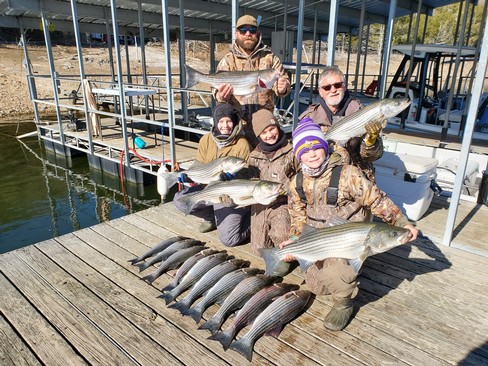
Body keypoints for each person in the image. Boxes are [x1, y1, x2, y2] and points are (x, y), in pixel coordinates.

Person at [280, 118, 418, 331]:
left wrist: (400, 222)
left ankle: (344, 303)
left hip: (351, 231)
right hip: (318, 235)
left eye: (317, 147)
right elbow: (297, 216)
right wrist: (294, 239)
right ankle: (346, 268)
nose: (312, 154)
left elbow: (376, 199)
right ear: (299, 155)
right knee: (318, 286)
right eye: (305, 151)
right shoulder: (296, 182)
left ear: (325, 148)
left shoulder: (348, 174)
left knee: (335, 275)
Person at [173, 102, 251, 246]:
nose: (225, 125)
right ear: (215, 123)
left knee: (229, 240)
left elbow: (247, 177)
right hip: (207, 188)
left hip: (228, 194)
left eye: (229, 121)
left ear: (234, 123)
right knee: (180, 200)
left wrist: (234, 178)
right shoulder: (205, 140)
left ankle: (252, 220)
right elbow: (198, 165)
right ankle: (211, 218)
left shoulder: (242, 144)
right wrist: (188, 175)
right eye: (221, 121)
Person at [214, 14, 291, 145]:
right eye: (243, 30)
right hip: (237, 126)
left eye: (252, 30)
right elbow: (216, 93)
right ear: (236, 33)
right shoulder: (227, 60)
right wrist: (221, 96)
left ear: (258, 33)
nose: (248, 34)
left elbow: (283, 82)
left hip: (265, 127)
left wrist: (283, 88)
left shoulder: (270, 58)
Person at [299, 65, 383, 182]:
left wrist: (371, 141)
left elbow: (374, 156)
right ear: (320, 92)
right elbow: (300, 155)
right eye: (327, 87)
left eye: (337, 85)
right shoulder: (309, 118)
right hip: (322, 181)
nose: (333, 90)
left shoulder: (362, 112)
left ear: (345, 86)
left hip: (356, 181)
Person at [247, 109, 299, 255]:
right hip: (260, 205)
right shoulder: (253, 157)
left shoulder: (291, 151)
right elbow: (249, 182)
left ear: (278, 126)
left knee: (282, 239)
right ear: (258, 135)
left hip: (283, 203)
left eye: (272, 129)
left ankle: (285, 250)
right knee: (258, 250)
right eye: (264, 133)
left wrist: (288, 190)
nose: (269, 135)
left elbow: (302, 178)